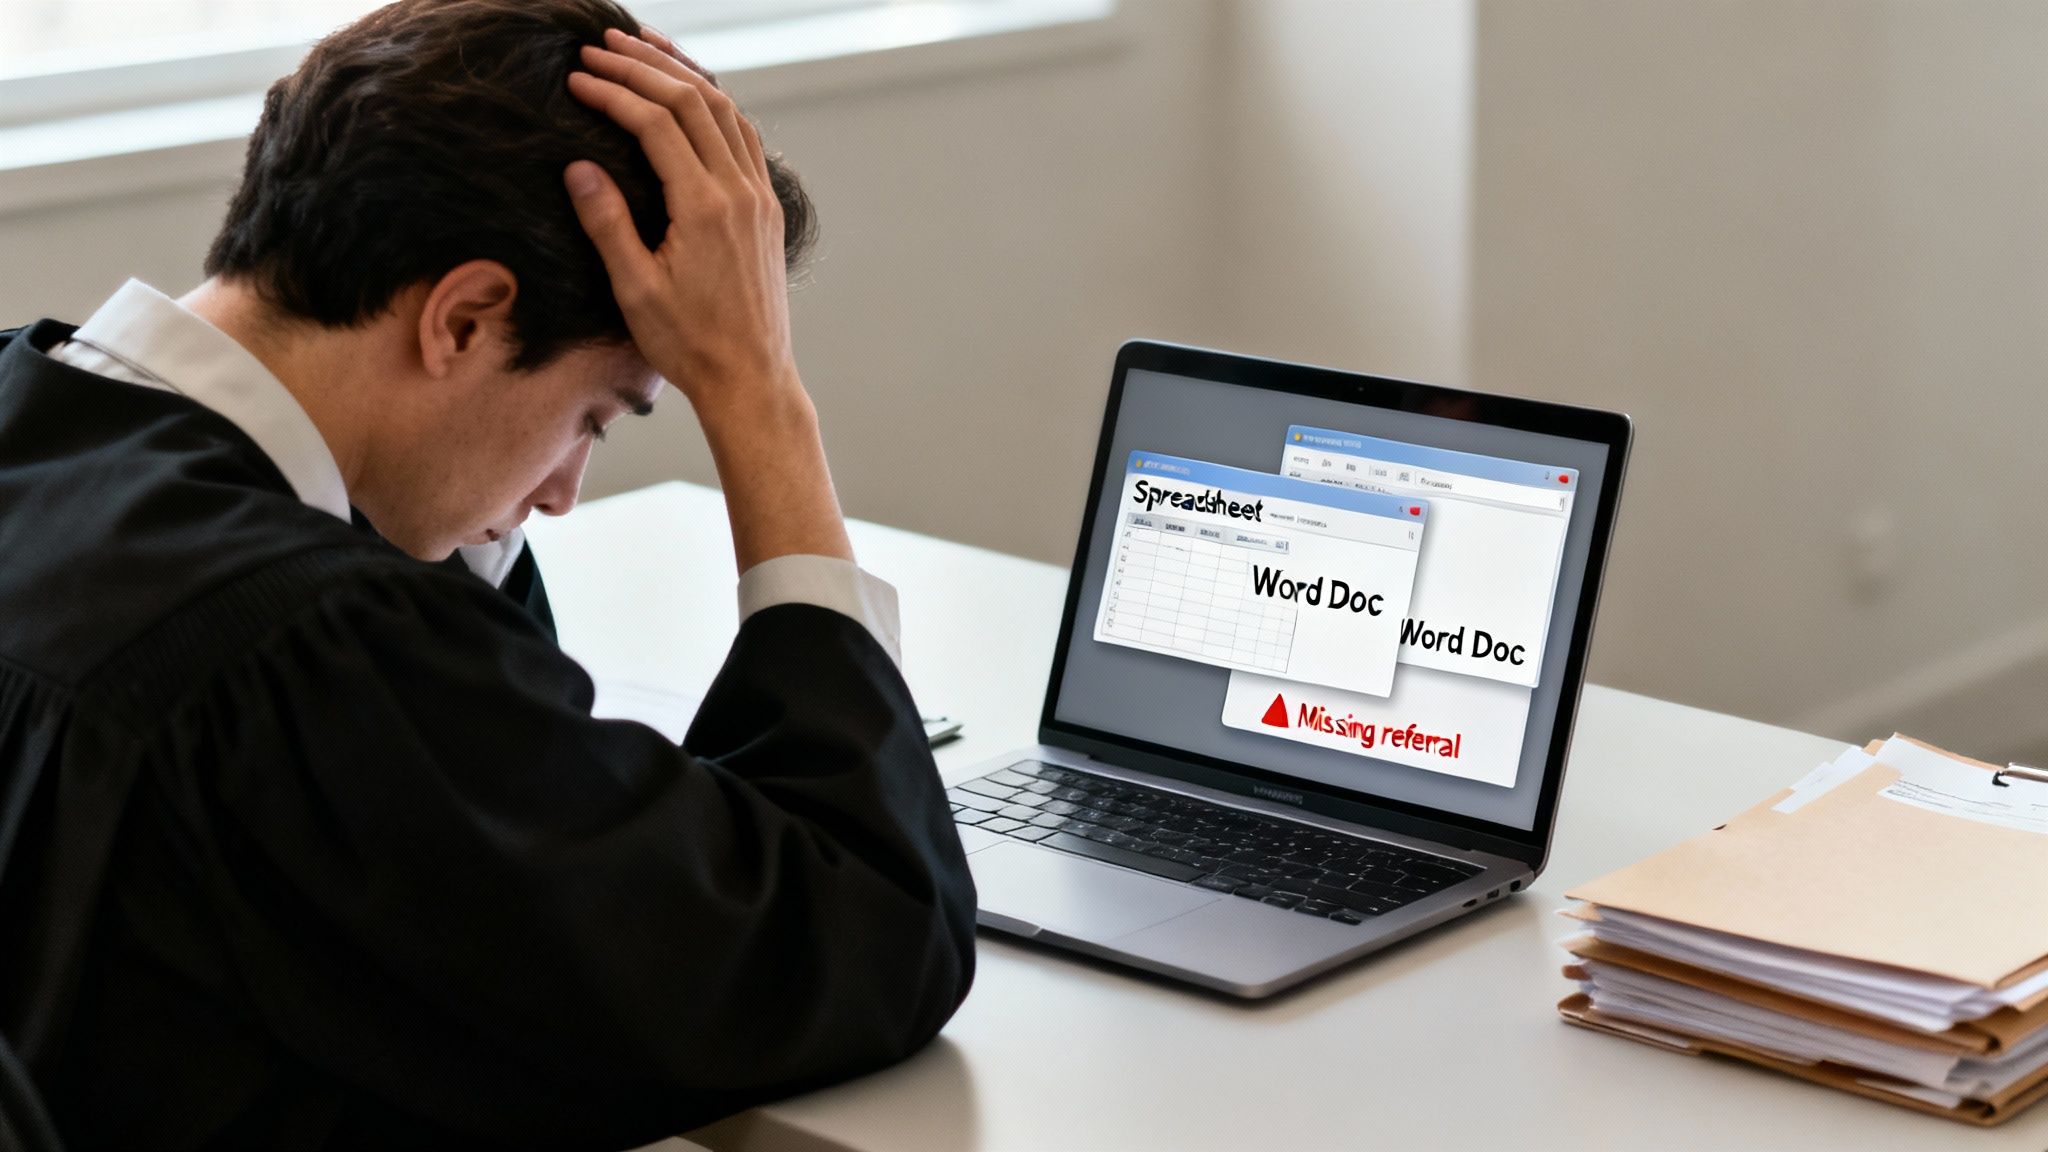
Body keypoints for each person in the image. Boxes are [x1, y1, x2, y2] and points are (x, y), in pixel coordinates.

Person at [0, 1, 976, 1147]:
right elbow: (855, 934)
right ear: (464, 318)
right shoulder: (307, 646)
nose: (564, 492)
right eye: (595, 417)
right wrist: (756, 393)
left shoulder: (40, 417)